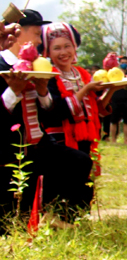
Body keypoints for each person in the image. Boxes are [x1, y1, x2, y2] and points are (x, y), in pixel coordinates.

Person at [0, 12, 93, 229]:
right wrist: (14, 91)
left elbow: (51, 112)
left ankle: (61, 217)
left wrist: (43, 92)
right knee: (13, 216)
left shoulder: (40, 67)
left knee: (78, 161)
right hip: (9, 147)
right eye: (36, 34)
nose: (40, 42)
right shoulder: (2, 64)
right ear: (18, 33)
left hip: (39, 143)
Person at [40, 22, 117, 219]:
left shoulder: (81, 74)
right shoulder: (48, 76)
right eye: (56, 48)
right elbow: (58, 111)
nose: (63, 52)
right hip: (61, 136)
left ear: (75, 48)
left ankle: (78, 217)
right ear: (48, 51)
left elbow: (96, 108)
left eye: (67, 46)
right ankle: (57, 217)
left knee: (84, 176)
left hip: (86, 135)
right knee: (65, 176)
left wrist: (111, 90)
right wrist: (85, 90)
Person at [108, 56, 127, 144]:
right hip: (115, 98)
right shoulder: (115, 73)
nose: (124, 64)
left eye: (126, 62)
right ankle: (113, 140)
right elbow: (111, 84)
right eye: (122, 62)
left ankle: (125, 140)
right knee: (114, 120)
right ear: (119, 63)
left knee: (126, 121)